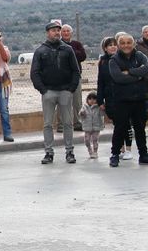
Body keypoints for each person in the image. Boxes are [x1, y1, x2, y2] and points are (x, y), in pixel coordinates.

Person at [31, 19, 81, 165]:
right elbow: (35, 72)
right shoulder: (41, 51)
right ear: (48, 33)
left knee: (68, 123)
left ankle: (69, 151)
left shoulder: (67, 49)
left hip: (65, 91)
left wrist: (71, 89)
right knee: (47, 124)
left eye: (58, 30)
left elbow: (75, 71)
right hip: (49, 92)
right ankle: (48, 152)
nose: (57, 33)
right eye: (54, 30)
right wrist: (43, 90)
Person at [105, 32, 148, 167]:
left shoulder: (141, 56)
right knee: (120, 128)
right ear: (118, 45)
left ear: (133, 43)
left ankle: (143, 155)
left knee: (140, 128)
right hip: (122, 100)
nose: (126, 45)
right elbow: (118, 78)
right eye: (122, 43)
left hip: (140, 99)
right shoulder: (114, 60)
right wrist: (137, 74)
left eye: (129, 42)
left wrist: (129, 71)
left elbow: (146, 70)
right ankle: (115, 154)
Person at [61, 23, 88, 127]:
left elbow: (83, 56)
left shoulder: (76, 44)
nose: (66, 33)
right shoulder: (58, 44)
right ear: (61, 33)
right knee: (63, 102)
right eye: (64, 31)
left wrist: (70, 52)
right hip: (62, 78)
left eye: (68, 31)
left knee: (77, 102)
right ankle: (63, 124)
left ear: (71, 33)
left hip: (76, 76)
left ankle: (78, 122)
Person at [79, 92, 105, 160]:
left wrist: (103, 108)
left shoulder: (98, 107)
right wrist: (82, 113)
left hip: (96, 127)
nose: (92, 100)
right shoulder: (84, 107)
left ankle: (95, 152)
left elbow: (102, 114)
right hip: (87, 127)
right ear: (87, 100)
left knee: (95, 139)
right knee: (87, 140)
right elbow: (81, 115)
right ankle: (90, 151)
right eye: (90, 99)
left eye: (94, 99)